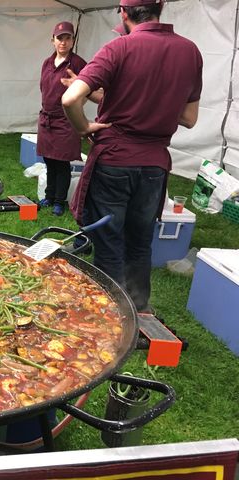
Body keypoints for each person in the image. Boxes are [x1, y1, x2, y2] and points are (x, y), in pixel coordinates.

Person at [61, 0, 202, 312]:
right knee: (140, 241)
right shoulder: (190, 51)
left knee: (109, 239)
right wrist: (158, 104)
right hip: (154, 164)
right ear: (160, 9)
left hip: (115, 159)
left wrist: (84, 128)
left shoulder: (119, 48)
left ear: (123, 13)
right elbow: (190, 118)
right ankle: (138, 307)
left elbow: (70, 98)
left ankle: (109, 313)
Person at [36, 21, 87, 216]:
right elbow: (43, 88)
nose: (63, 43)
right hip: (47, 119)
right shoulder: (47, 63)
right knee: (49, 160)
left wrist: (74, 109)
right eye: (59, 38)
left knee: (62, 162)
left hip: (66, 120)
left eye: (67, 38)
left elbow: (86, 92)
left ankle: (59, 200)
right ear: (52, 41)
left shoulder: (78, 63)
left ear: (73, 40)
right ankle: (49, 195)